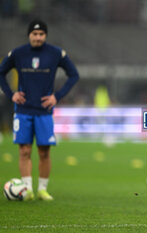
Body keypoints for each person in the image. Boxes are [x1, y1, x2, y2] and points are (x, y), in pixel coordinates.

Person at [0, 19, 79, 201]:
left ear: (45, 35)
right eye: (34, 34)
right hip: (23, 110)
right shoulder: (18, 54)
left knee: (44, 151)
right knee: (24, 151)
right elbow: (1, 72)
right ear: (29, 35)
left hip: (44, 110)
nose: (37, 37)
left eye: (41, 34)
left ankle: (42, 190)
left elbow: (74, 74)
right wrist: (11, 94)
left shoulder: (56, 53)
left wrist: (56, 97)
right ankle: (27, 189)